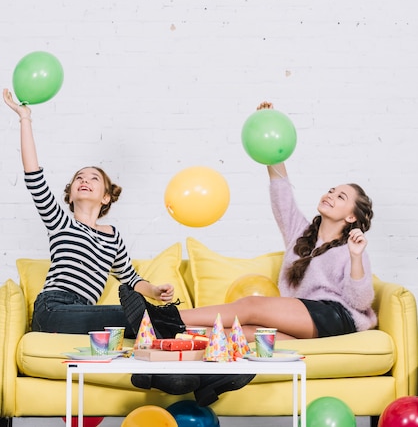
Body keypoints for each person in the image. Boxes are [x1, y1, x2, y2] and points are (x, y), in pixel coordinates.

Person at [3, 88, 253, 405]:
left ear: (106, 196)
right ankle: (180, 364)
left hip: (86, 313)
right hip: (53, 310)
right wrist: (25, 118)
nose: (84, 181)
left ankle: (194, 377)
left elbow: (131, 279)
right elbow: (33, 175)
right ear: (70, 195)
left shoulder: (113, 235)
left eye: (93, 178)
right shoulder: (60, 222)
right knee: (138, 314)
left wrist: (154, 290)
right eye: (79, 178)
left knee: (148, 314)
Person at [119, 101, 377, 349]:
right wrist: (269, 131)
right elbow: (281, 192)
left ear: (352, 217)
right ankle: (161, 332)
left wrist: (355, 258)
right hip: (303, 321)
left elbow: (360, 300)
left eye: (340, 197)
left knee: (253, 306)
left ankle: (163, 317)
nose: (330, 195)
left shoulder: (351, 249)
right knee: (240, 334)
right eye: (331, 190)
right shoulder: (301, 233)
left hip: (334, 317)